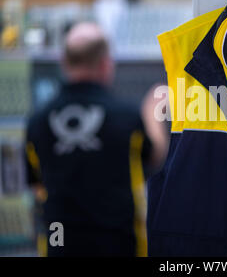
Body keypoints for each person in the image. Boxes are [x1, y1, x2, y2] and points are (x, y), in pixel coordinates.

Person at [25, 22, 167, 257]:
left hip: (59, 245)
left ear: (65, 62)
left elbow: (35, 185)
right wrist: (152, 111)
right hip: (119, 245)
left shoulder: (37, 122)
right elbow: (154, 154)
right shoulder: (126, 116)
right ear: (105, 64)